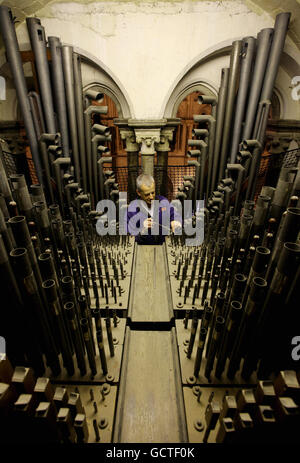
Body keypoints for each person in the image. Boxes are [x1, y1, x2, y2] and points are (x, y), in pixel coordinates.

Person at [127, 174, 181, 245]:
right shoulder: (132, 210)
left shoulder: (163, 202)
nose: (151, 197)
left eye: (153, 192)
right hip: (142, 250)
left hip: (164, 247)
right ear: (139, 192)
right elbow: (128, 237)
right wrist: (141, 232)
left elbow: (174, 215)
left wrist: (176, 222)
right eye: (147, 194)